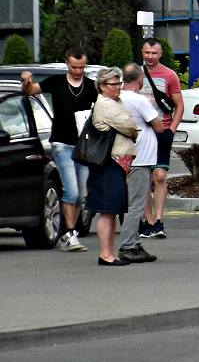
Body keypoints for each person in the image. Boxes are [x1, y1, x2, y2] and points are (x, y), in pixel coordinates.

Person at [21, 47, 97, 252]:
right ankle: (68, 234)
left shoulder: (91, 86)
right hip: (61, 144)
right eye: (74, 67)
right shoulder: (56, 82)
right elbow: (30, 91)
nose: (78, 71)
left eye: (81, 68)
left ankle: (69, 232)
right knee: (71, 191)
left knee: (81, 194)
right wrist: (26, 80)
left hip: (83, 145)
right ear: (67, 63)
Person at [86, 67, 141, 266]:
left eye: (119, 83)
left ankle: (109, 253)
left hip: (118, 162)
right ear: (101, 86)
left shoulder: (116, 102)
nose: (117, 87)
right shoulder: (105, 104)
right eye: (112, 84)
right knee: (107, 209)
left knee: (113, 209)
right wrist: (132, 129)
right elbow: (129, 126)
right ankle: (105, 254)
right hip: (108, 161)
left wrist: (131, 127)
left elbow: (130, 124)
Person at [137, 38, 183, 241]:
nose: (150, 56)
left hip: (161, 130)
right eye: (147, 52)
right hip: (140, 133)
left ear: (160, 54)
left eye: (154, 53)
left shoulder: (169, 75)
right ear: (142, 52)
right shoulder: (135, 74)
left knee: (160, 176)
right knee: (144, 177)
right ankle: (147, 222)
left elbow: (179, 105)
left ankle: (159, 221)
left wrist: (171, 130)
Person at [118, 65, 164, 263]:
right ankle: (128, 245)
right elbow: (159, 126)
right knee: (136, 204)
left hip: (123, 156)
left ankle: (135, 243)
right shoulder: (139, 100)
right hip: (140, 157)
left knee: (132, 202)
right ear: (140, 79)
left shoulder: (116, 99)